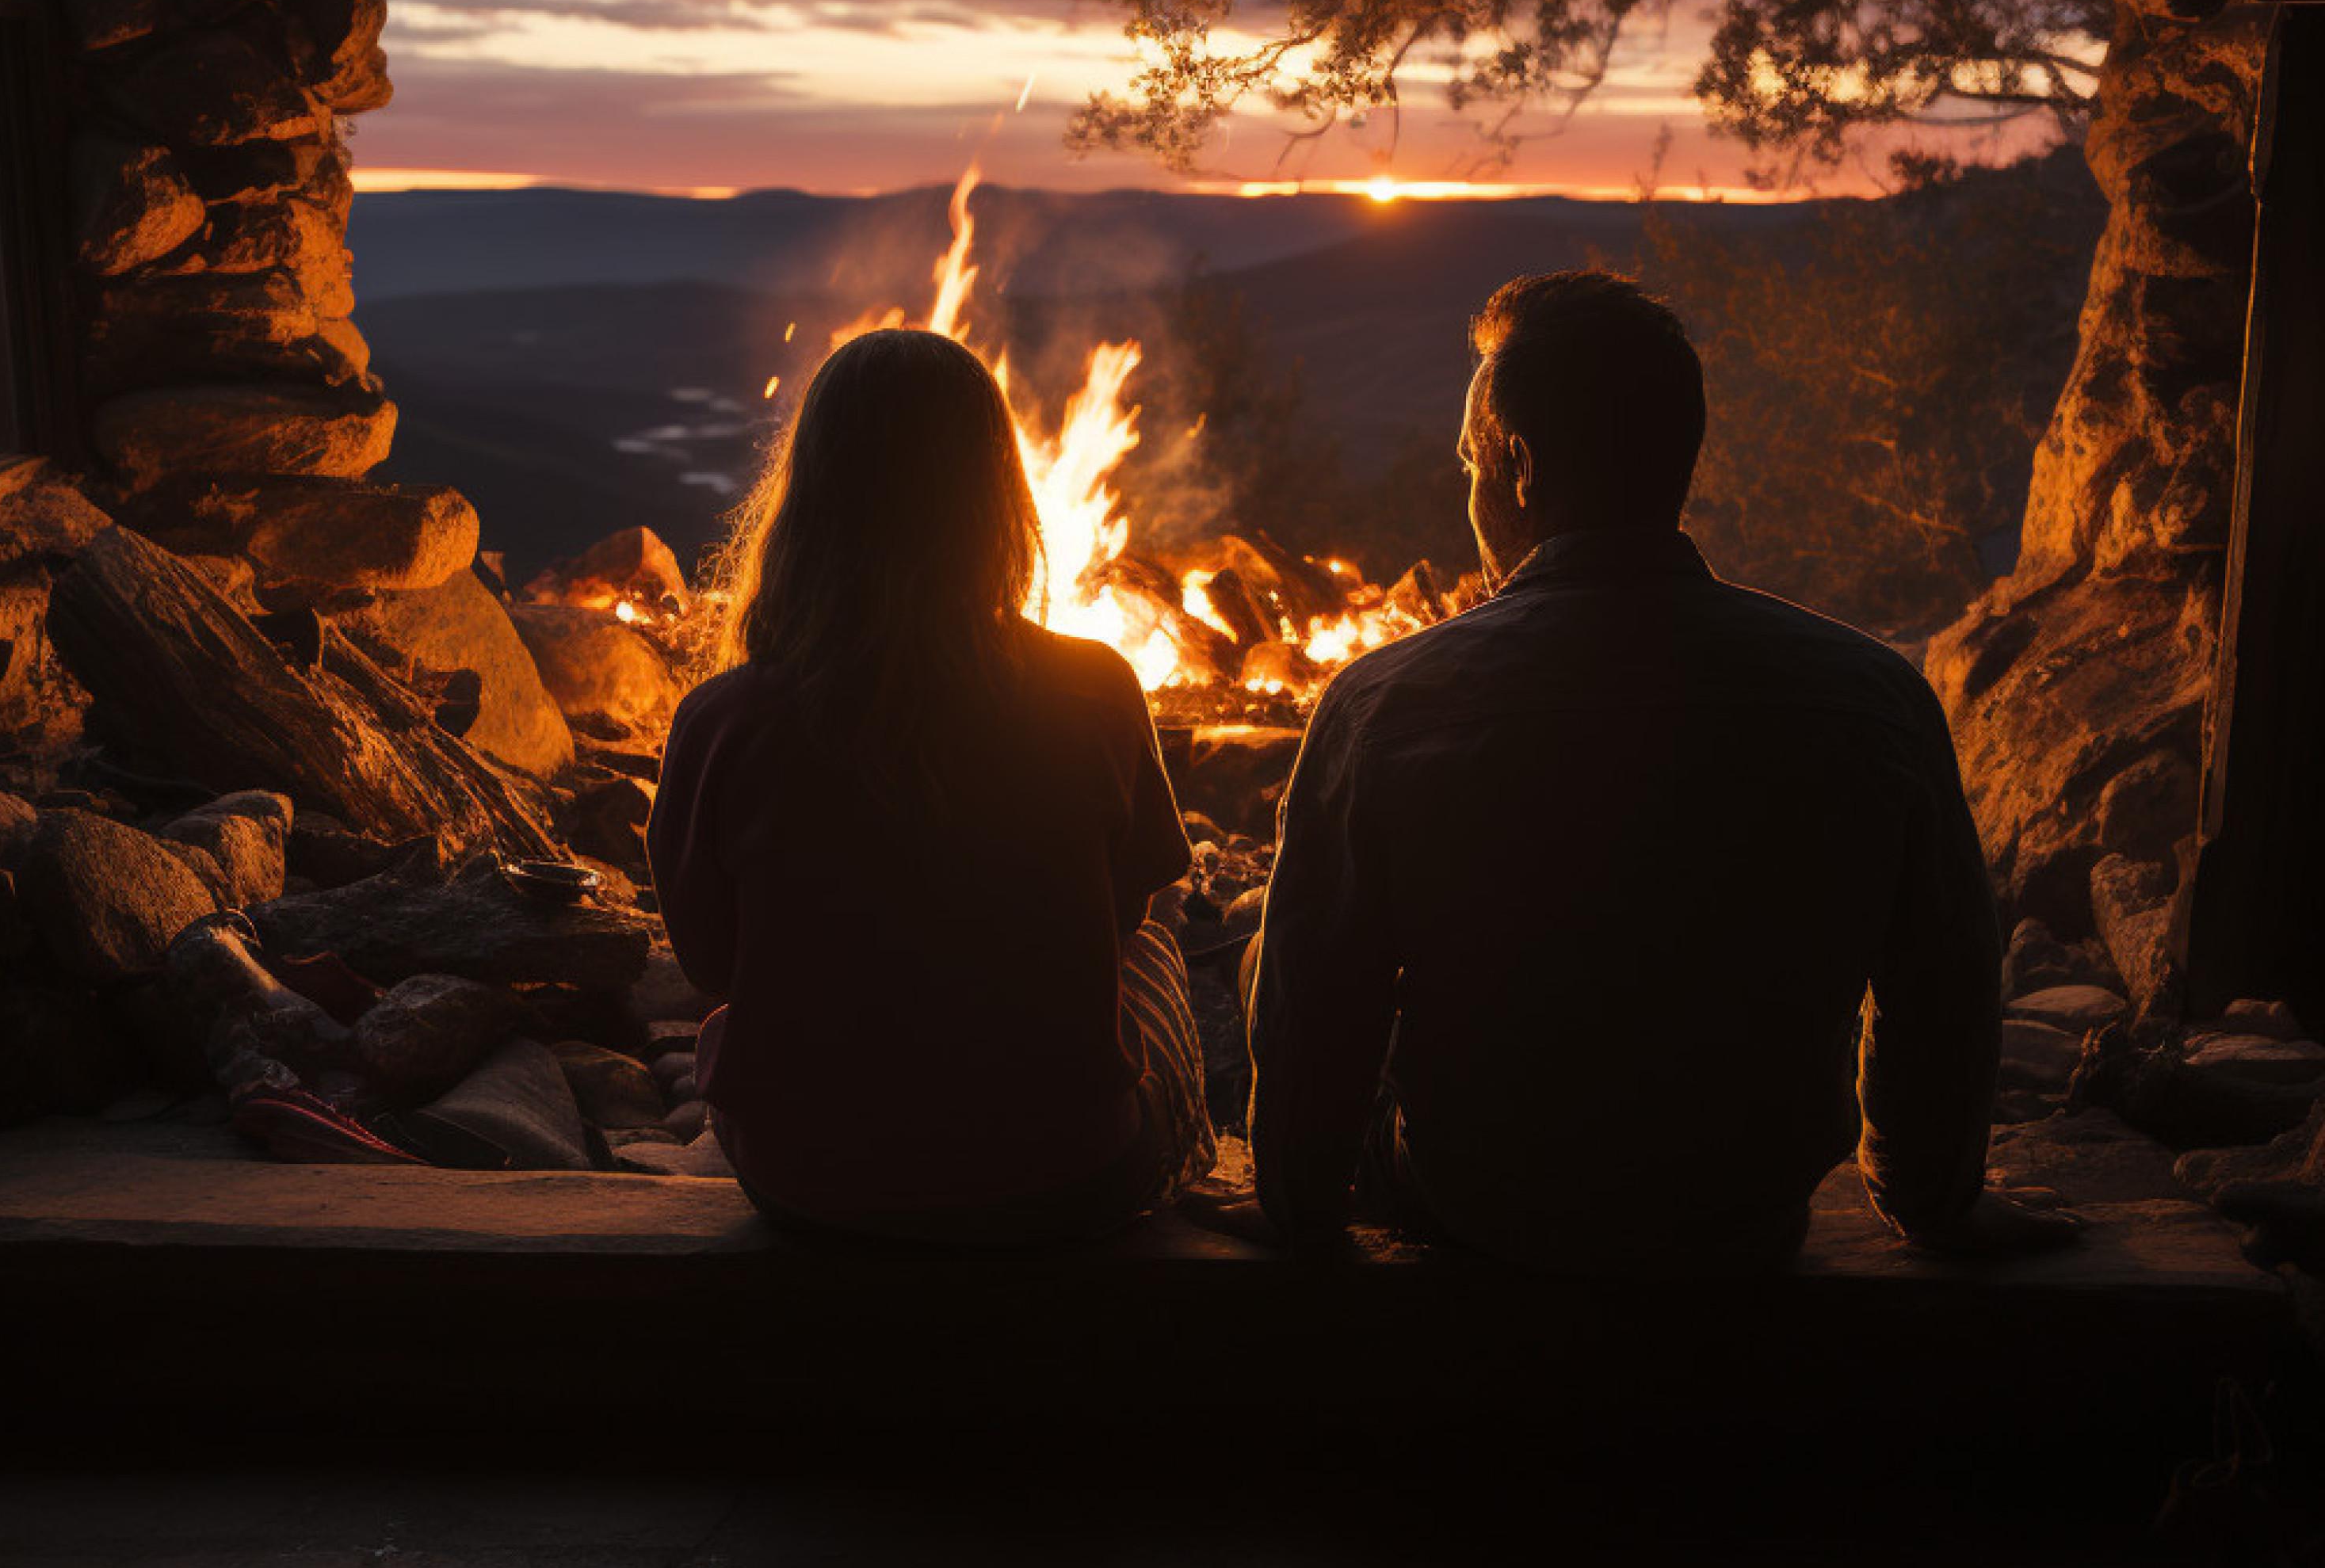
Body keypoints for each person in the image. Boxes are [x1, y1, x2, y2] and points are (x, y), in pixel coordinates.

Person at [1244, 270, 2078, 1270]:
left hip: (1484, 1206)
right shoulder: (1874, 697)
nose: (1467, 487)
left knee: (1270, 952)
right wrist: (1930, 1205)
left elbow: (1319, 1001)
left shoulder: (1383, 704)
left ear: (1518, 465)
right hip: (1743, 1211)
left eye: (1470, 461)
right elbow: (1942, 982)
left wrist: (1299, 1216)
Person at [646, 327, 1216, 1243]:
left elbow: (714, 966)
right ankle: (1189, 1177)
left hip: (810, 1183)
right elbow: (1123, 915)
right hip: (1066, 1175)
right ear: (997, 497)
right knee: (1160, 944)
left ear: (811, 497)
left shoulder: (722, 720)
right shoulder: (1097, 686)